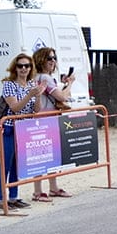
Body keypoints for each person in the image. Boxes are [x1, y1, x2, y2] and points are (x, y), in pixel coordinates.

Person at [0, 52, 45, 210]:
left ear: (31, 68)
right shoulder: (9, 84)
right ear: (15, 68)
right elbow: (15, 108)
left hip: (25, 129)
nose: (24, 69)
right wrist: (30, 94)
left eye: (27, 66)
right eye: (20, 66)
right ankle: (1, 199)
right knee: (6, 163)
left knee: (17, 164)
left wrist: (38, 96)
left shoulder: (31, 84)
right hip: (10, 127)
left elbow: (36, 110)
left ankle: (14, 196)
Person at [30, 47, 75, 202]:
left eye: (54, 58)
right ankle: (42, 190)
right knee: (46, 156)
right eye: (49, 58)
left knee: (43, 155)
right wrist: (70, 83)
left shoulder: (36, 77)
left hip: (41, 119)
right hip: (48, 119)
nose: (53, 61)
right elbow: (62, 97)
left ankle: (47, 188)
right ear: (41, 60)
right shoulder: (45, 78)